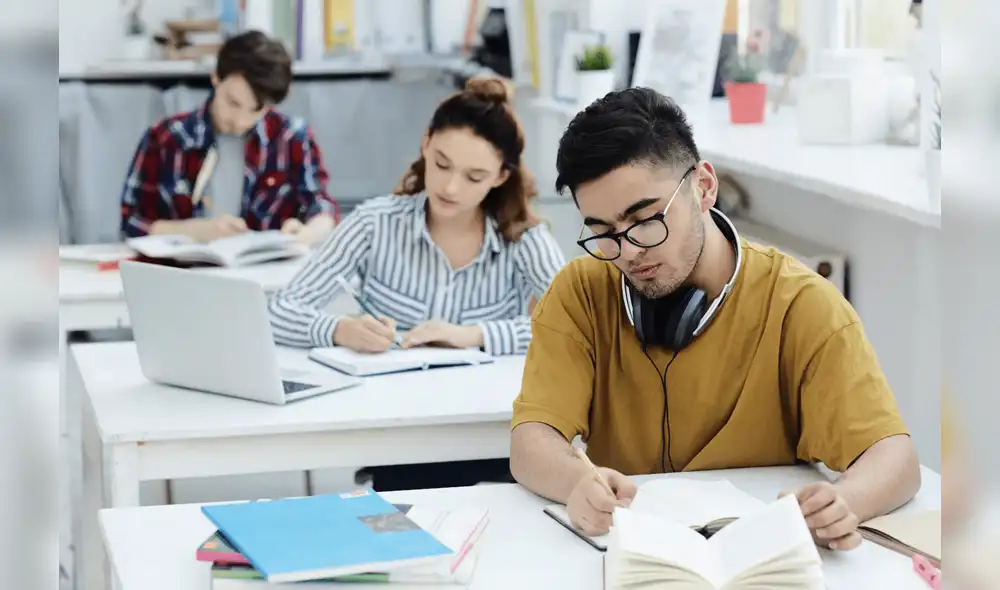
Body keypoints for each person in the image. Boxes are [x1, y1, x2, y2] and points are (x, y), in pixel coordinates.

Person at [509, 87, 921, 550]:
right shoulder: (579, 292)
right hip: (628, 557)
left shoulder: (802, 304)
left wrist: (845, 501)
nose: (628, 252)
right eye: (604, 232)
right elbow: (531, 441)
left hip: (760, 556)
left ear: (704, 188)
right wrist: (575, 482)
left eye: (645, 220)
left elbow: (895, 457)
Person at [268, 76, 566, 490]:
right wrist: (339, 329)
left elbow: (574, 326)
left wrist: (475, 335)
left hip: (491, 436)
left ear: (501, 176)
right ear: (425, 144)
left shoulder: (524, 238)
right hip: (397, 437)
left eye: (474, 176)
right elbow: (279, 312)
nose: (450, 187)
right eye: (442, 164)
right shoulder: (374, 223)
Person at [119, 31, 338, 246]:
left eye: (256, 110)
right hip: (185, 267)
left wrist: (309, 232)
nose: (240, 121)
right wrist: (196, 231)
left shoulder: (292, 138)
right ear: (216, 77)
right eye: (233, 103)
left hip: (265, 268)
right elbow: (132, 223)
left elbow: (322, 206)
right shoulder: (166, 137)